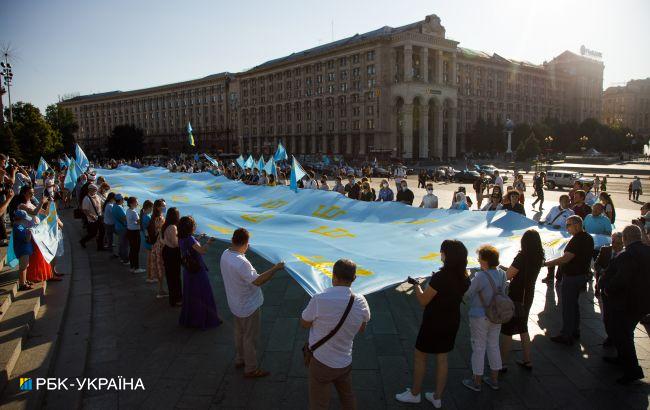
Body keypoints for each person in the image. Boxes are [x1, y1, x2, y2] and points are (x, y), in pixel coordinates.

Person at [396, 240, 470, 407]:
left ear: (447, 255)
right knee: (442, 358)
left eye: (442, 252)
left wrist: (416, 286)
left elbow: (423, 300)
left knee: (420, 355)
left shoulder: (440, 277)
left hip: (434, 322)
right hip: (452, 321)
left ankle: (415, 393)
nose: (440, 254)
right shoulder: (464, 277)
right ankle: (437, 397)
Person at [301, 259, 371, 410]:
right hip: (345, 361)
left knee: (319, 403)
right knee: (347, 397)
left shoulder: (319, 299)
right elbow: (362, 327)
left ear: (333, 276)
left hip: (321, 360)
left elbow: (304, 323)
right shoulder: (361, 301)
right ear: (354, 279)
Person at [220, 228, 285, 378]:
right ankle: (251, 368)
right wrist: (275, 268)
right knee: (250, 337)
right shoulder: (242, 262)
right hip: (248, 305)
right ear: (246, 244)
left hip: (235, 303)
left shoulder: (225, 254)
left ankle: (240, 358)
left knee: (239, 333)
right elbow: (258, 281)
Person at [600, 225, 649, 384]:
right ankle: (622, 359)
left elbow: (620, 279)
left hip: (627, 303)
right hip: (643, 303)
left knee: (623, 335)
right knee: (625, 332)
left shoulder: (627, 255)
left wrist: (607, 289)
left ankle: (632, 370)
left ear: (625, 239)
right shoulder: (647, 251)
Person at [544, 215, 594, 345]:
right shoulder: (588, 238)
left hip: (572, 277)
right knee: (574, 305)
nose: (567, 228)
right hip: (581, 276)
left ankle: (566, 334)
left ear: (577, 225)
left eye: (568, 225)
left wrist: (547, 264)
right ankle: (575, 330)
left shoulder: (577, 240)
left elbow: (566, 258)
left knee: (568, 306)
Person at [462, 245, 507, 392]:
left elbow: (468, 294)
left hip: (479, 315)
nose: (478, 261)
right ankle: (494, 380)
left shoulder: (481, 276)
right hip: (497, 314)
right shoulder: (502, 274)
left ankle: (476, 382)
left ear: (485, 261)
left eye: (480, 258)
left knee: (478, 347)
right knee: (493, 345)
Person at [500, 230, 544, 371]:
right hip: (528, 295)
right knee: (523, 328)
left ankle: (502, 363)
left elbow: (508, 275)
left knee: (507, 329)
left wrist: (500, 271)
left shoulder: (522, 256)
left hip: (516, 296)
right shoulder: (538, 256)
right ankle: (527, 360)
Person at [177, 216, 222, 329]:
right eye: (193, 225)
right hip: (197, 270)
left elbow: (191, 246)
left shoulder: (182, 238)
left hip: (188, 271)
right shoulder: (190, 239)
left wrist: (198, 238)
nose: (195, 226)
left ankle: (191, 319)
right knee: (203, 294)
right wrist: (209, 242)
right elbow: (202, 251)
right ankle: (205, 319)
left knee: (191, 295)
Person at [594, 232, 624, 348]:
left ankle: (615, 337)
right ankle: (610, 336)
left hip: (616, 290)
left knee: (615, 316)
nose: (615, 245)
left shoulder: (625, 254)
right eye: (613, 242)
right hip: (603, 286)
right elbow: (596, 264)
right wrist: (602, 271)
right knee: (606, 316)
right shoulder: (605, 250)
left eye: (619, 243)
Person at [161, 207, 182, 306]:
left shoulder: (165, 225)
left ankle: (173, 298)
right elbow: (175, 243)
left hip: (167, 251)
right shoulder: (173, 227)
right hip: (172, 253)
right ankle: (176, 299)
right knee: (175, 277)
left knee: (170, 276)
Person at [148, 199, 168, 298]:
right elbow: (161, 232)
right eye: (163, 206)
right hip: (160, 245)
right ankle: (160, 290)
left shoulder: (155, 217)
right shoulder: (159, 218)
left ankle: (161, 289)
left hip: (156, 245)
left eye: (165, 205)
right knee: (161, 267)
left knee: (159, 266)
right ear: (157, 207)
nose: (165, 207)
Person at [13, 210, 34, 291]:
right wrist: (29, 233)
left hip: (24, 249)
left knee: (25, 266)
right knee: (23, 267)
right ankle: (22, 284)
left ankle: (24, 281)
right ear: (20, 219)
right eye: (25, 219)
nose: (26, 221)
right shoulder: (19, 227)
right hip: (23, 250)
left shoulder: (19, 226)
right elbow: (26, 239)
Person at [79, 184, 105, 250]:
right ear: (90, 190)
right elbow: (85, 210)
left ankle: (100, 246)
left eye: (96, 190)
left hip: (99, 217)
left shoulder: (97, 196)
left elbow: (102, 203)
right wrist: (91, 216)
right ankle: (83, 241)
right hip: (93, 219)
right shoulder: (86, 199)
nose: (96, 191)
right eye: (95, 190)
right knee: (93, 233)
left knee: (102, 232)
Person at [125, 196, 145, 273]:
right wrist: (142, 215)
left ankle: (132, 266)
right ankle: (136, 268)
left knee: (132, 249)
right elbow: (139, 222)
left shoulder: (128, 210)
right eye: (136, 202)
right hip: (135, 232)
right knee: (136, 250)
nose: (137, 203)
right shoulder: (133, 212)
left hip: (129, 231)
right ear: (131, 203)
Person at [112, 194, 129, 264]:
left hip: (118, 227)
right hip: (122, 228)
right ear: (120, 200)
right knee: (124, 244)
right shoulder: (119, 207)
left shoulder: (114, 206)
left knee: (121, 243)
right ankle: (124, 259)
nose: (123, 201)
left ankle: (121, 256)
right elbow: (124, 218)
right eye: (122, 199)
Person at [140, 200, 154, 282]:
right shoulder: (147, 217)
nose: (152, 209)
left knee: (149, 259)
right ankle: (150, 277)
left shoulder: (143, 215)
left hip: (145, 239)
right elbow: (149, 230)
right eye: (152, 207)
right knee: (151, 260)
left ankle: (149, 276)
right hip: (149, 240)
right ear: (149, 207)